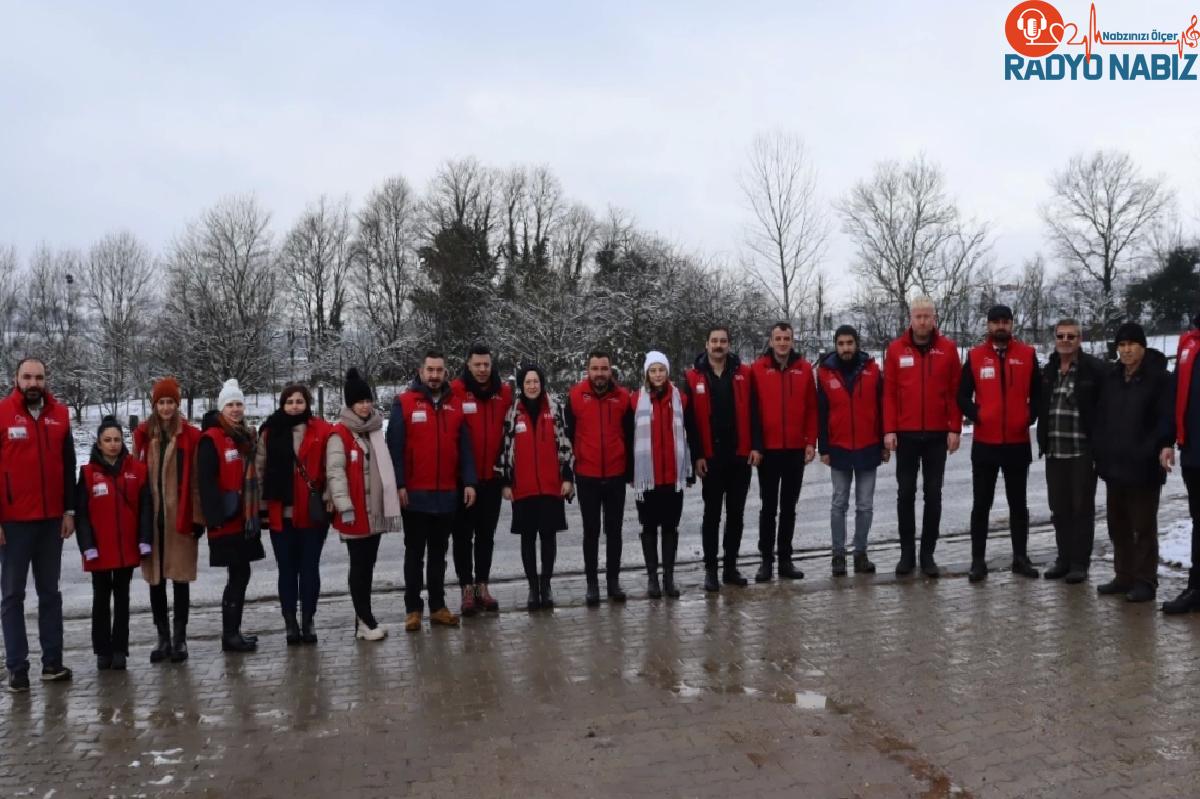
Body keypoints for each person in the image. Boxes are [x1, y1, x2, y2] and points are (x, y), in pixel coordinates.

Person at [387, 351, 477, 632]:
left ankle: (437, 606)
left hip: (447, 495)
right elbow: (395, 449)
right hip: (414, 496)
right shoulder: (403, 403)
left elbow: (465, 449)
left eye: (439, 370)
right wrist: (399, 485)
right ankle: (412, 609)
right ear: (421, 371)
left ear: (446, 372)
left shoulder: (457, 404)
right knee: (414, 554)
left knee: (439, 554)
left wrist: (470, 482)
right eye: (430, 370)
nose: (435, 375)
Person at [0, 357, 76, 693]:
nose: (33, 383)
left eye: (39, 377)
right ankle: (17, 668)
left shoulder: (59, 415)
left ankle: (52, 663)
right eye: (27, 377)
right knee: (13, 595)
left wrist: (69, 510)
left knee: (50, 594)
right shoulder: (2, 413)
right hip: (13, 523)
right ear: (16, 379)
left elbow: (69, 463)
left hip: (50, 523)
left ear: (46, 380)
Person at [957, 305, 1042, 583]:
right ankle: (978, 561)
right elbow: (962, 396)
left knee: (1019, 505)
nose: (1000, 326)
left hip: (1017, 442)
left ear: (1012, 325)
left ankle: (1020, 558)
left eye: (1005, 322)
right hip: (985, 444)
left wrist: (1029, 416)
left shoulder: (1027, 355)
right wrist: (977, 415)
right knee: (981, 505)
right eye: (995, 322)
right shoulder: (975, 356)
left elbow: (1040, 394)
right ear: (988, 325)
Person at [1093, 323, 1172, 603]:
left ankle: (1145, 581)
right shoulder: (1112, 377)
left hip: (1144, 466)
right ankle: (1123, 575)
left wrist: (1155, 447)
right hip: (1114, 465)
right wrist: (1100, 451)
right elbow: (1101, 417)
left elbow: (1165, 419)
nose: (1126, 350)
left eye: (1132, 344)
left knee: (1143, 527)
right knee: (1118, 525)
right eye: (1121, 345)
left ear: (1143, 346)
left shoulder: (1159, 379)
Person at [883, 297, 962, 578]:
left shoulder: (948, 349)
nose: (923, 321)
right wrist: (889, 429)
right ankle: (907, 553)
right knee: (905, 494)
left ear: (935, 318)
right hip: (905, 435)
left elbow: (955, 392)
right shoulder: (895, 350)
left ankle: (927, 554)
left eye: (928, 316)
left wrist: (955, 428)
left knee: (933, 494)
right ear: (911, 318)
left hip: (937, 436)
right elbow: (889, 394)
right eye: (918, 316)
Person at [682, 326, 763, 592]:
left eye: (723, 341)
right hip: (711, 457)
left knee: (736, 515)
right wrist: (697, 456)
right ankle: (711, 570)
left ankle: (730, 567)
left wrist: (755, 446)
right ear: (706, 345)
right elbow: (690, 423)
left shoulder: (745, 374)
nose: (718, 345)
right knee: (712, 515)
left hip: (740, 455)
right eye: (714, 341)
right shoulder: (693, 377)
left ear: (729, 344)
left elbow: (755, 412)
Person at [256, 384, 333, 645]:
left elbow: (330, 467)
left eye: (299, 401)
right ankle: (290, 621)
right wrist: (259, 509)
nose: (294, 406)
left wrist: (329, 497)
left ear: (307, 403)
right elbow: (259, 469)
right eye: (289, 402)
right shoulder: (269, 432)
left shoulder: (321, 429)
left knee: (309, 568)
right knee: (287, 570)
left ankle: (308, 619)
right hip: (281, 513)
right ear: (282, 404)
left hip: (311, 513)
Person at [327, 368, 400, 641]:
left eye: (367, 400)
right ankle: (365, 620)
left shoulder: (374, 431)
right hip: (354, 513)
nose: (365, 405)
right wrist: (344, 506)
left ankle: (363, 620)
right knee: (359, 567)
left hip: (374, 512)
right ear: (350, 404)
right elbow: (335, 473)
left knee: (367, 566)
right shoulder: (340, 434)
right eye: (359, 401)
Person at [133, 376, 202, 663]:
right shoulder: (143, 434)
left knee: (180, 579)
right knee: (155, 580)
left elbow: (197, 480)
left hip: (179, 514)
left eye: (170, 402)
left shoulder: (190, 436)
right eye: (161, 402)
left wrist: (198, 516)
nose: (165, 407)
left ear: (177, 404)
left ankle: (180, 637)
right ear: (154, 404)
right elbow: (135, 475)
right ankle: (162, 636)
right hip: (152, 516)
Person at [75, 416, 152, 671]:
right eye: (107, 440)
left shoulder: (137, 470)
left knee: (122, 599)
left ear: (123, 441)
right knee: (100, 599)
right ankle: (102, 650)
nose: (113, 444)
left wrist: (144, 540)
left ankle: (120, 649)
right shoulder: (87, 474)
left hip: (126, 549)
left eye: (117, 439)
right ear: (98, 443)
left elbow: (145, 509)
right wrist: (87, 545)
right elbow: (82, 514)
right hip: (99, 549)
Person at [196, 378, 264, 653]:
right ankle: (229, 635)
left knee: (242, 574)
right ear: (221, 408)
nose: (236, 409)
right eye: (230, 405)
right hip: (226, 519)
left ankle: (233, 631)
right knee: (237, 575)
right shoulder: (211, 439)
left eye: (239, 404)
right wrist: (216, 519)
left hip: (243, 518)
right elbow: (206, 483)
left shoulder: (244, 436)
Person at [498, 362, 574, 611]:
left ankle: (546, 585)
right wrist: (506, 482)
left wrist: (567, 477)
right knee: (528, 539)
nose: (532, 386)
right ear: (522, 385)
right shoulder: (512, 412)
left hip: (551, 487)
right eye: (528, 382)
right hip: (524, 487)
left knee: (548, 537)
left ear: (542, 384)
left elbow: (565, 443)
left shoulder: (554, 408)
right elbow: (506, 448)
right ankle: (533, 587)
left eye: (536, 382)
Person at [1035, 319, 1105, 585]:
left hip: (1082, 452)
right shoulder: (1049, 370)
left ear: (1080, 339)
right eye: (1061, 336)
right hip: (1055, 451)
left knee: (1081, 509)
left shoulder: (1093, 370)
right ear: (1055, 338)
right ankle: (1063, 559)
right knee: (1059, 509)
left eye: (1071, 336)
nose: (1065, 341)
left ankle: (1079, 562)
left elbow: (1104, 408)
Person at [817, 325, 886, 576]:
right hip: (839, 447)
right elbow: (822, 413)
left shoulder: (872, 370)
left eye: (850, 343)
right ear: (836, 345)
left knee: (865, 505)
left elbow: (882, 408)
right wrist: (823, 447)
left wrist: (883, 444)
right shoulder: (825, 373)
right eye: (841, 343)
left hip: (869, 446)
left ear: (857, 344)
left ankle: (860, 554)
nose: (846, 348)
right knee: (839, 503)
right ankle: (838, 555)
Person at [565, 350, 632, 605]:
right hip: (587, 475)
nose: (600, 373)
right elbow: (568, 437)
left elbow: (629, 434)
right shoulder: (575, 396)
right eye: (595, 369)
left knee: (614, 531)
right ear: (588, 369)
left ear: (610, 370)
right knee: (590, 531)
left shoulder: (623, 397)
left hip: (615, 474)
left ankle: (613, 581)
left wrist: (630, 471)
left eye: (604, 368)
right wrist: (570, 473)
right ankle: (592, 583)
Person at [750, 322, 816, 582]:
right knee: (768, 507)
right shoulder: (757, 369)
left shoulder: (804, 369)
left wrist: (810, 441)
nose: (782, 343)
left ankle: (786, 559)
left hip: (795, 450)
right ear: (771, 341)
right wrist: (756, 445)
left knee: (789, 506)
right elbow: (752, 411)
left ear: (792, 341)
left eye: (786, 338)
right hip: (768, 451)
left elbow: (812, 408)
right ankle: (766, 560)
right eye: (777, 338)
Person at [450, 344, 511, 615]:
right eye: (477, 365)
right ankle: (466, 588)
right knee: (463, 537)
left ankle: (482, 586)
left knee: (486, 536)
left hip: (493, 479)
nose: (483, 370)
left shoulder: (504, 393)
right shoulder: (456, 391)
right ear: (468, 364)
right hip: (464, 481)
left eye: (486, 364)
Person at [630, 351, 691, 599]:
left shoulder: (681, 399)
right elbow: (628, 436)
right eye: (653, 370)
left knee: (670, 527)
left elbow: (690, 431)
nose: (657, 375)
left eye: (661, 370)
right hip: (647, 476)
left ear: (667, 372)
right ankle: (652, 578)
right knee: (648, 527)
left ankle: (668, 578)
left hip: (672, 476)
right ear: (647, 373)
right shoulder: (635, 400)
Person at [1165, 314, 1200, 613]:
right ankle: (1196, 588)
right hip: (1193, 453)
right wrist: (1169, 439)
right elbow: (1175, 394)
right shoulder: (1189, 343)